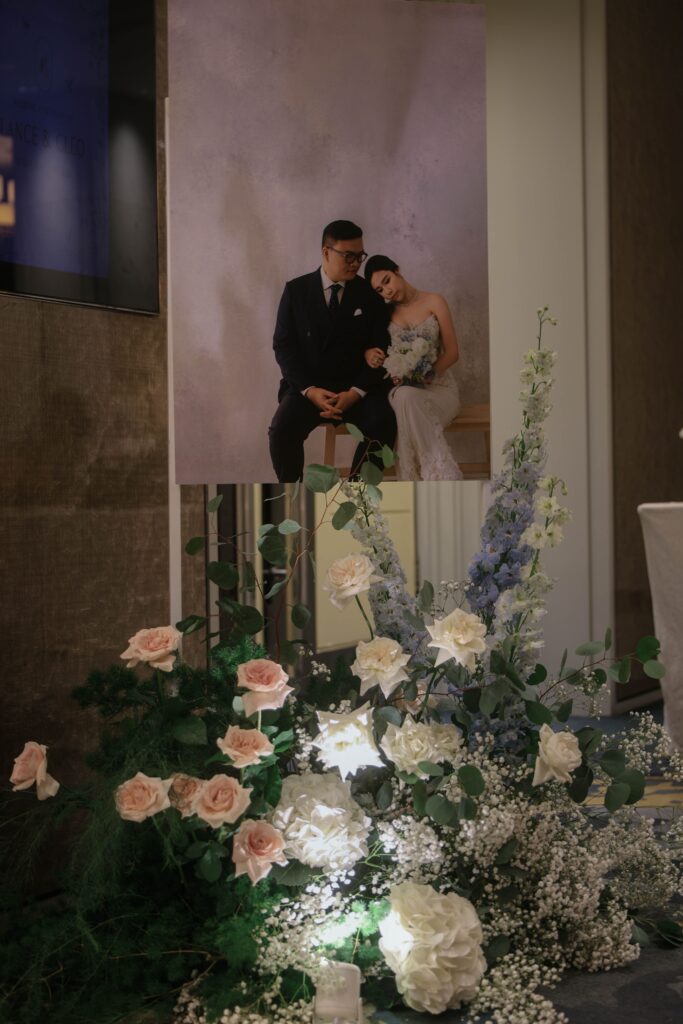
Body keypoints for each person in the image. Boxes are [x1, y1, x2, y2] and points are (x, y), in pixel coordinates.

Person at [269, 221, 396, 482]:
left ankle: (359, 494)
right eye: (348, 256)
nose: (355, 263)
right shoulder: (296, 291)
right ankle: (292, 494)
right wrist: (310, 391)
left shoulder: (370, 295)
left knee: (383, 423)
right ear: (326, 252)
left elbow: (382, 347)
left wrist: (355, 392)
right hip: (309, 390)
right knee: (281, 430)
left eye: (360, 256)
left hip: (356, 390)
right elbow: (283, 347)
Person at [363, 255, 463, 481]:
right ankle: (441, 475)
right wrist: (368, 353)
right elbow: (367, 341)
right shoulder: (385, 314)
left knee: (404, 400)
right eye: (380, 290)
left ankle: (418, 479)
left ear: (397, 270)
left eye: (387, 281)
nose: (386, 292)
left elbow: (453, 352)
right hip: (408, 391)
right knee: (403, 395)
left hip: (440, 389)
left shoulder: (434, 301)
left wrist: (427, 374)